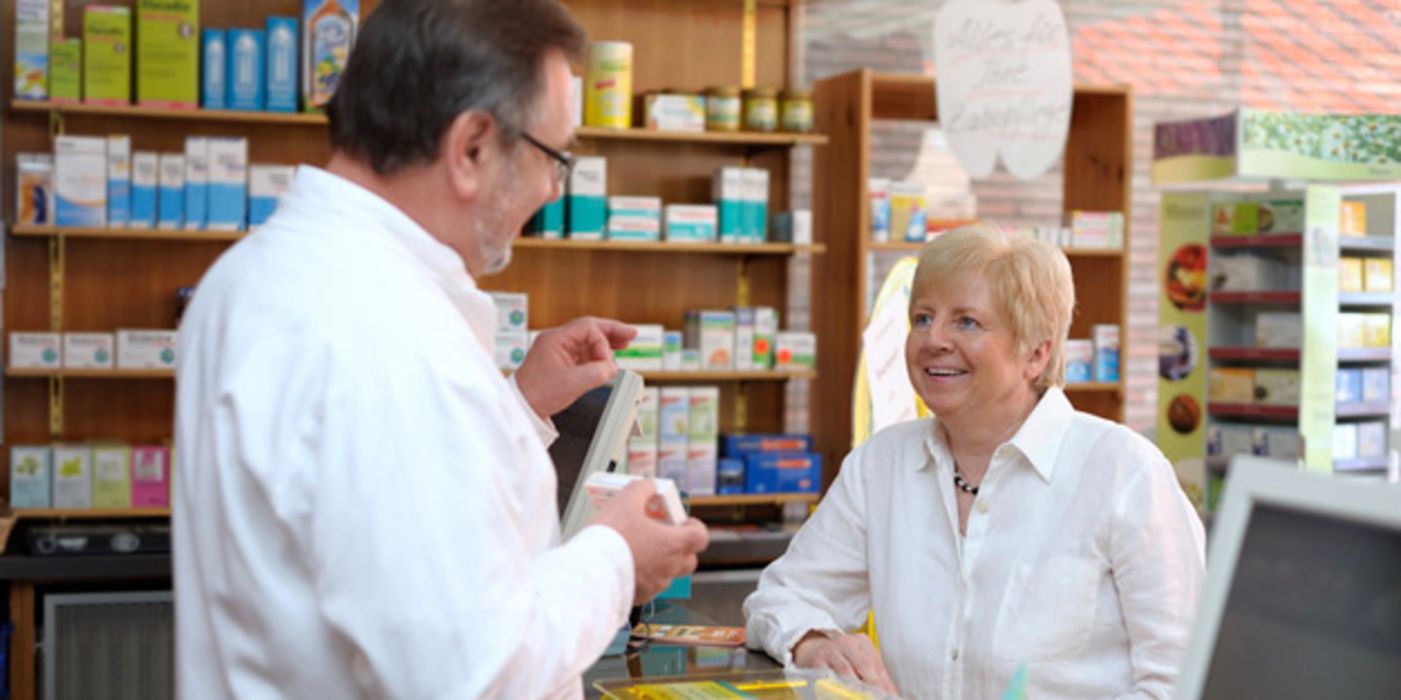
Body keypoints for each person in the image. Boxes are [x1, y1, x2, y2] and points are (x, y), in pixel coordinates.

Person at [173, 1, 708, 697]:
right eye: (555, 159)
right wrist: (616, 559)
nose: (552, 190)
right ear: (472, 147)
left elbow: (365, 519)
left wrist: (518, 406)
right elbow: (469, 671)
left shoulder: (263, 274)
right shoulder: (384, 332)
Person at [743, 227, 1205, 699]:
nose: (934, 339)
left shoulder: (1124, 473)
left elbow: (1184, 682)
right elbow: (781, 597)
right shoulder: (880, 467)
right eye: (922, 318)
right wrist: (814, 642)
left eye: (966, 322)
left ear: (1036, 352)